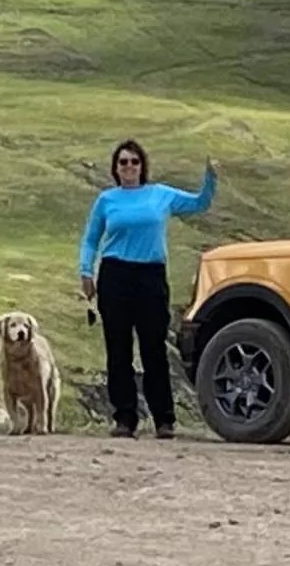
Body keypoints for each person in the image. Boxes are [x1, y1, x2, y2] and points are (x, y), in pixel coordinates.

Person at [79, 139, 218, 439]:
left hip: (151, 276)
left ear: (143, 166)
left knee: (153, 348)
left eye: (134, 162)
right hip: (115, 273)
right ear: (115, 168)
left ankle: (164, 419)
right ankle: (125, 418)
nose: (129, 167)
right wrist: (86, 271)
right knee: (118, 349)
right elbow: (91, 239)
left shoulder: (161, 195)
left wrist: (211, 178)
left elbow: (199, 203)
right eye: (123, 162)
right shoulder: (107, 200)